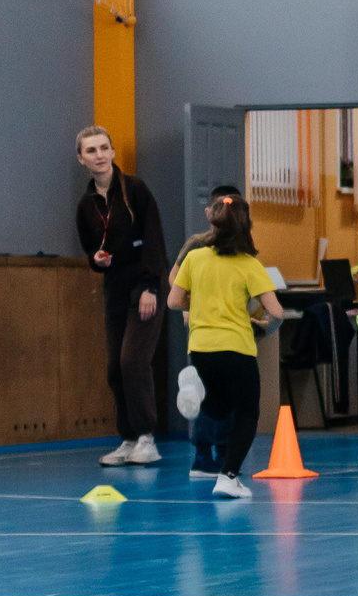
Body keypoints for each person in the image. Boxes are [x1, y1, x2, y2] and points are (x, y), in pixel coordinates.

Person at [166, 194, 287, 499]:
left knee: (219, 407)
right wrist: (263, 325)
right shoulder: (249, 265)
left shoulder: (195, 259)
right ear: (247, 226)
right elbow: (277, 311)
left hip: (200, 348)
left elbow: (173, 301)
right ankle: (228, 476)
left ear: (213, 222)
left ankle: (196, 391)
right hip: (236, 348)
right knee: (247, 414)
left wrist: (202, 303)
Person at [75, 125, 169, 468]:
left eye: (104, 148)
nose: (99, 155)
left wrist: (150, 287)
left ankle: (146, 437)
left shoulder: (135, 190)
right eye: (91, 150)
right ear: (81, 158)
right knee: (115, 366)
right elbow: (90, 248)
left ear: (113, 152)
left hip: (144, 283)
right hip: (114, 286)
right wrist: (96, 260)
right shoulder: (85, 205)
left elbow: (154, 240)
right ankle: (128, 439)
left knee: (133, 360)